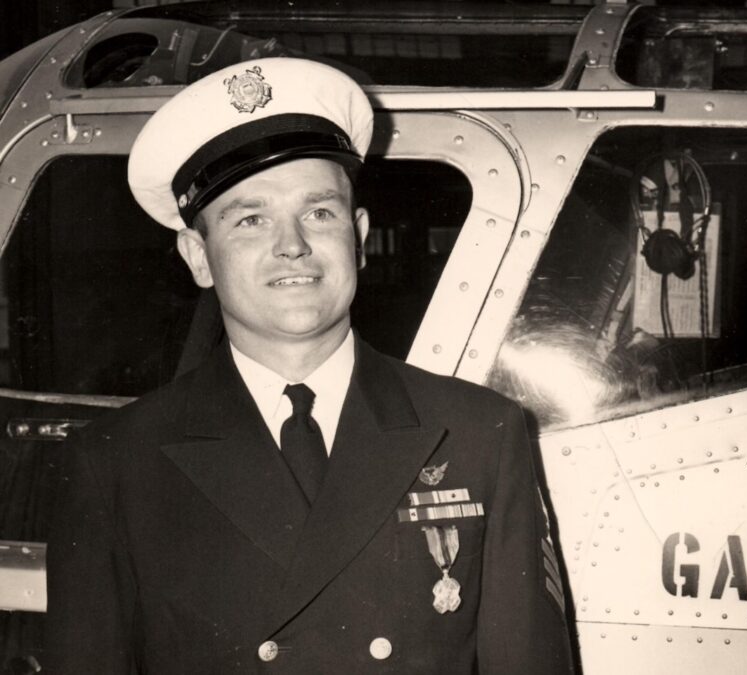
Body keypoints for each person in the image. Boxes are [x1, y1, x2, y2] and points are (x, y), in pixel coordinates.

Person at [45, 58, 573, 674]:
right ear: (198, 257)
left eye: (318, 213)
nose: (292, 244)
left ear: (359, 235)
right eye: (251, 219)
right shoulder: (115, 461)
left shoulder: (481, 433)